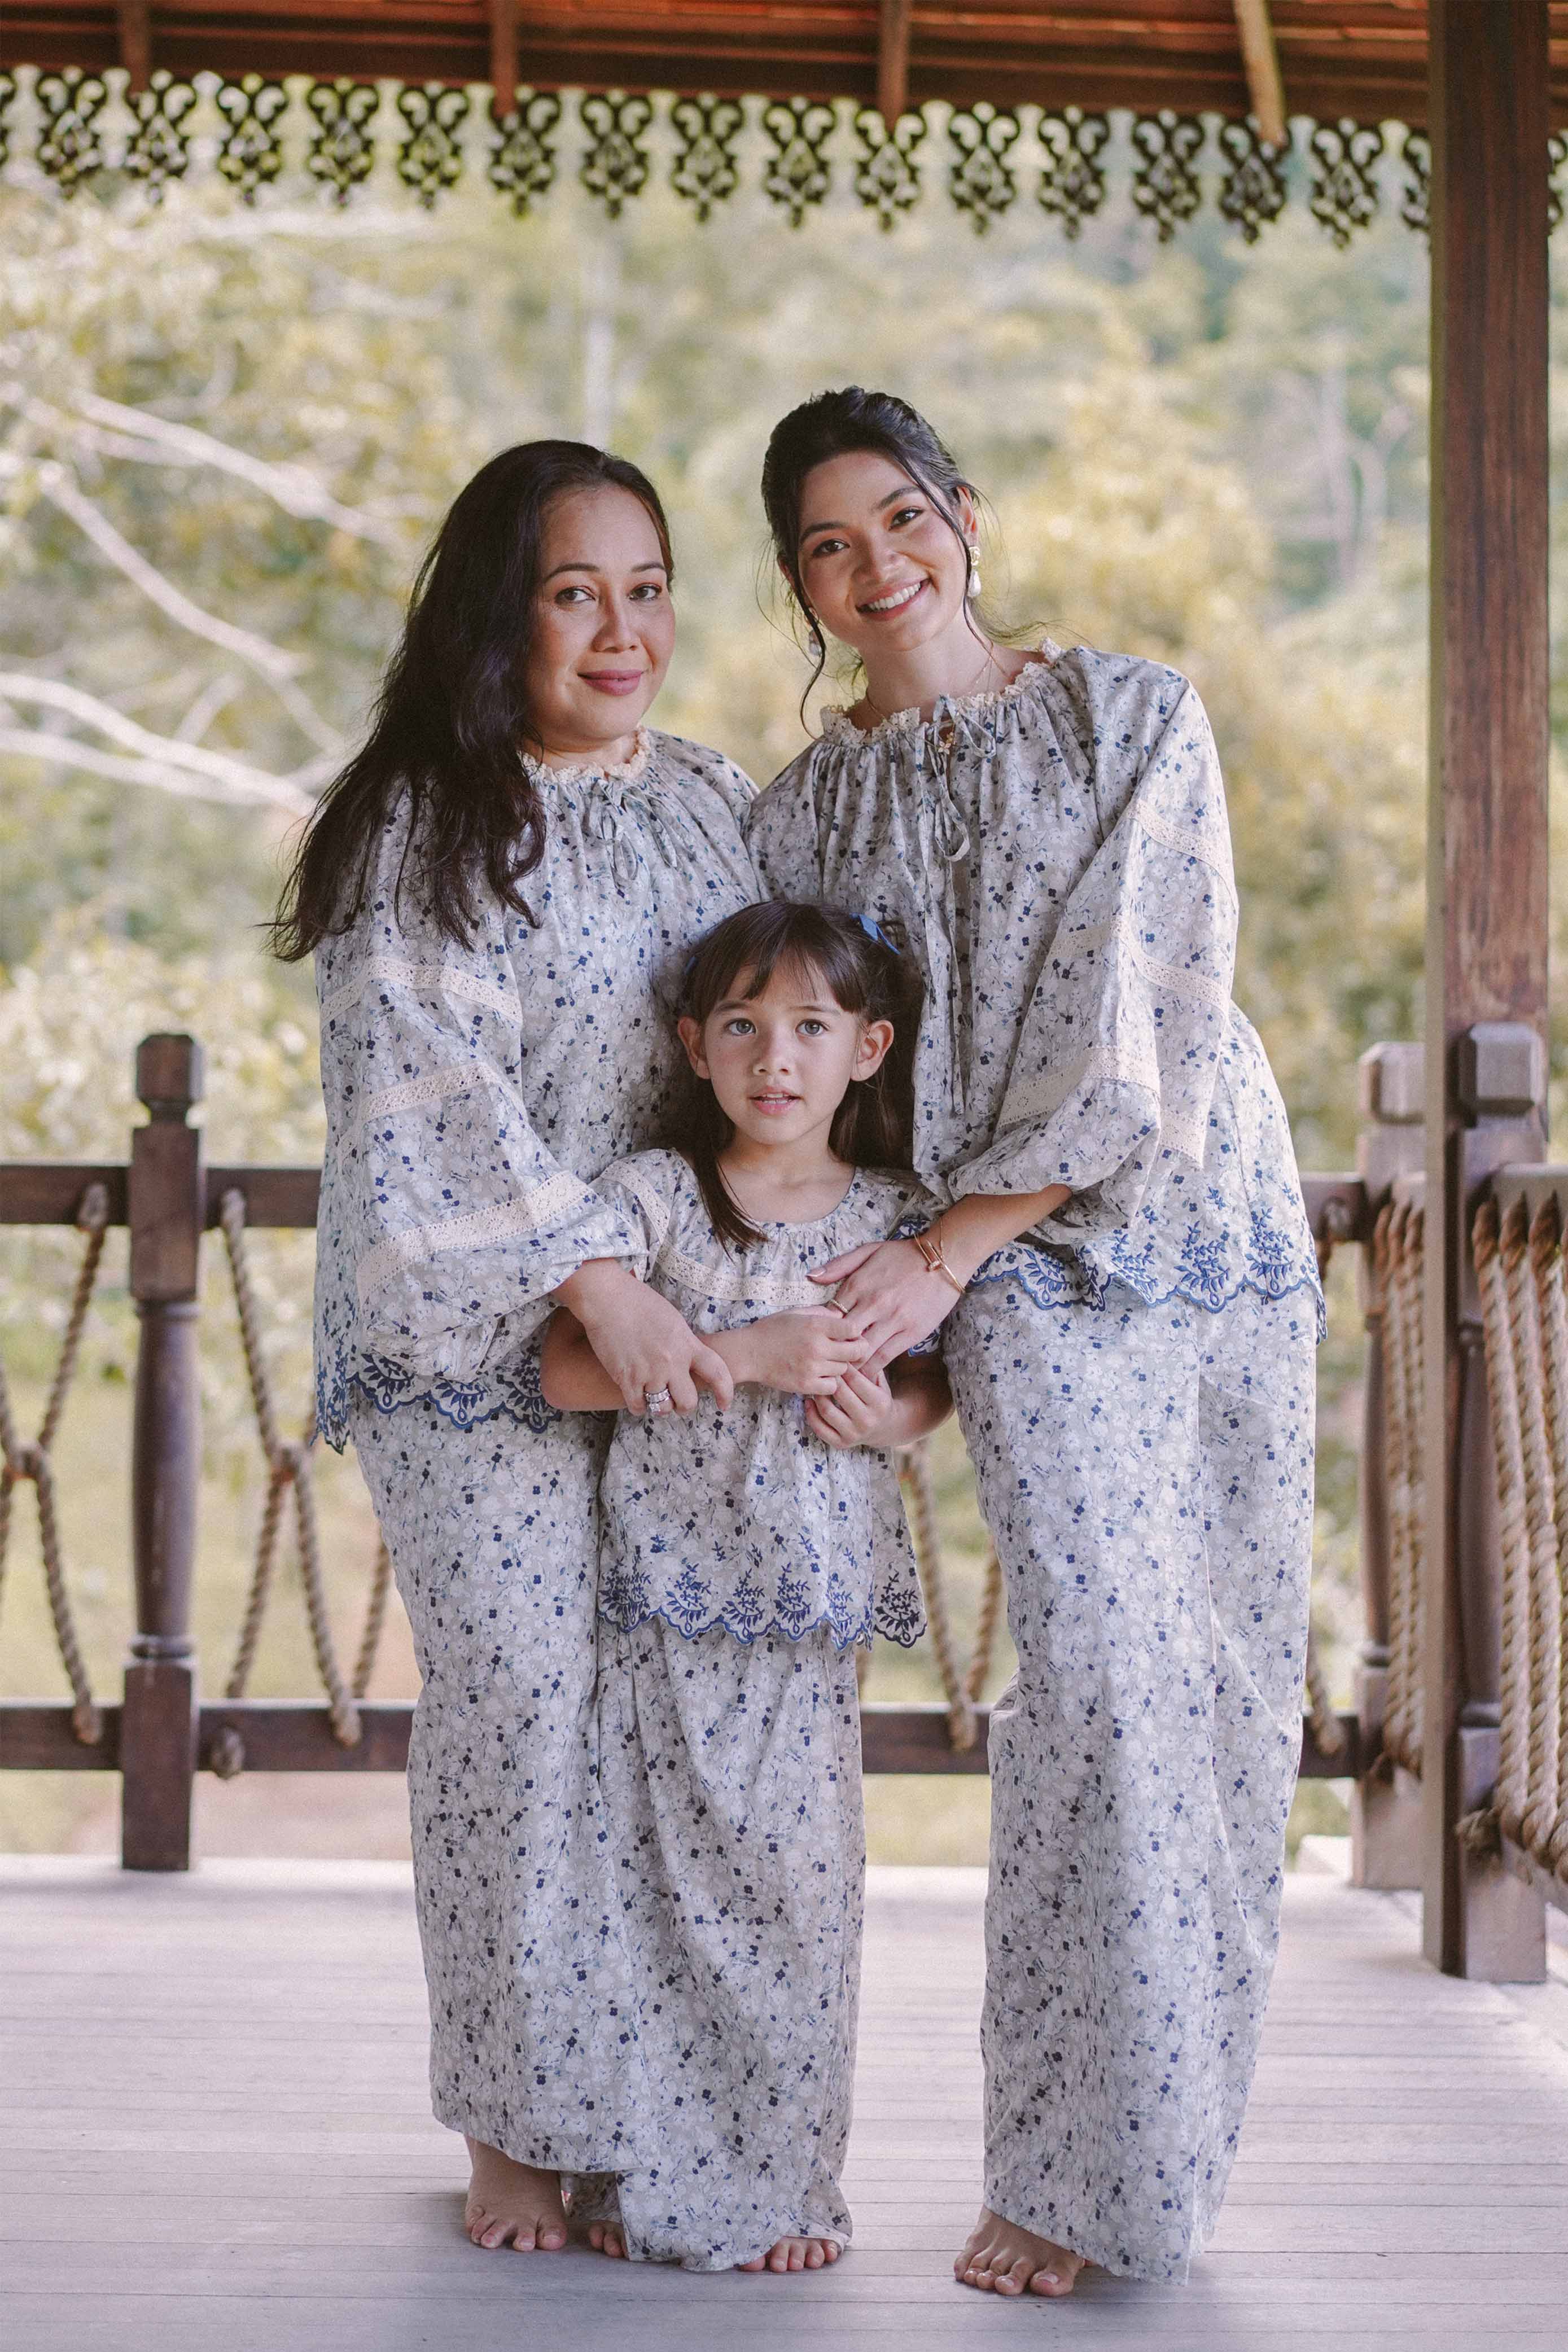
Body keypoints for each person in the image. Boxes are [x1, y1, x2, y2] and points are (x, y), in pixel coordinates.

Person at [747, 388, 1322, 2299]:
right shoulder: (801, 808)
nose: (875, 566)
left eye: (898, 517)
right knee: (1087, 1669)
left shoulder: (1130, 713)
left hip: (1185, 1224)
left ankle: (1155, 2158)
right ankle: (1073, 2170)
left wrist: (940, 1251)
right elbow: (805, 1067)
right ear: (797, 584)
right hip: (999, 1276)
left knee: (1214, 1679)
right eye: (827, 544)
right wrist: (876, 1297)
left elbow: (1140, 999)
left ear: (961, 514)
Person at [273, 442, 760, 2257]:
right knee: (524, 1695)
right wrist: (589, 1273)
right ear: (506, 611)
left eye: (648, 588)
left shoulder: (709, 798)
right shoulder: (430, 823)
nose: (622, 629)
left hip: (664, 1332)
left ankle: (642, 2108)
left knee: (660, 1712)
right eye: (577, 593)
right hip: (468, 1342)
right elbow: (430, 1105)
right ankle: (513, 2115)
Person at [540, 899, 948, 2273]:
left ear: (868, 1049)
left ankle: (783, 2184)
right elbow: (562, 1370)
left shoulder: (898, 1223)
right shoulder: (653, 1196)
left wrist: (889, 1421)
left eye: (811, 1028)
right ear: (694, 1047)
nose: (777, 1057)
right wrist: (748, 1351)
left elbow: (928, 1393)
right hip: (659, 1603)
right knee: (641, 1890)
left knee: (796, 1898)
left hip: (807, 1621)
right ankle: (636, 2177)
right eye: (743, 1026)